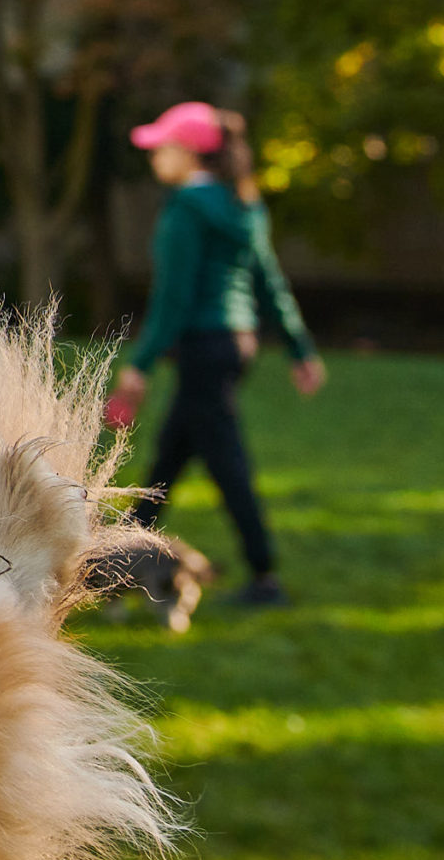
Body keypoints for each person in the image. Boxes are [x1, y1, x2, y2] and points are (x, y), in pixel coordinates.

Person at [107, 102, 325, 608]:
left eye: (162, 146)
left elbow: (174, 299)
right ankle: (115, 565)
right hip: (236, 342)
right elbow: (269, 282)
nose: (155, 156)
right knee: (170, 455)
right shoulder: (242, 204)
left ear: (189, 152)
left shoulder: (187, 208)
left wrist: (139, 366)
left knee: (225, 461)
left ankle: (265, 575)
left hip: (203, 345)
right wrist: (299, 348)